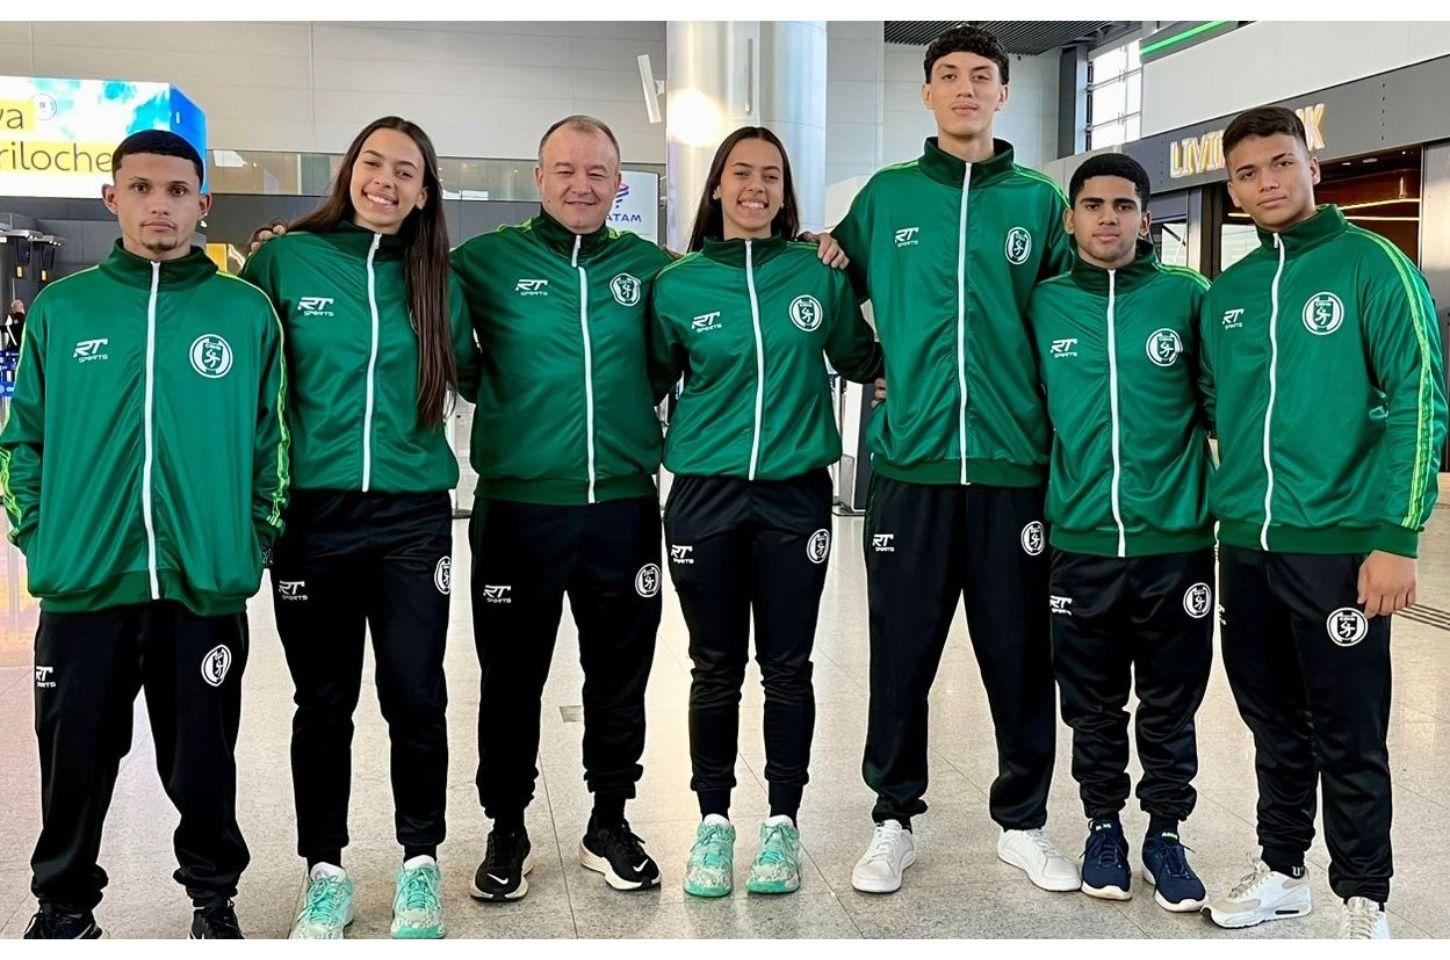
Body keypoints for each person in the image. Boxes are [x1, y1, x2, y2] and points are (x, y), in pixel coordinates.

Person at [0, 130, 289, 939]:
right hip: (85, 585)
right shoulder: (65, 308)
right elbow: (22, 440)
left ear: (203, 203)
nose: (158, 205)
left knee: (203, 761)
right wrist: (41, 537)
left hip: (201, 585)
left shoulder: (243, 310)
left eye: (175, 190)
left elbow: (273, 443)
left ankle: (212, 899)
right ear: (112, 198)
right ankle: (63, 908)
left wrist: (249, 545)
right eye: (140, 188)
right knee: (73, 761)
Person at [824, 24, 1078, 894]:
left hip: (1015, 471)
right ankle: (892, 818)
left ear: (1004, 93)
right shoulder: (886, 198)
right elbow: (825, 285)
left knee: (1020, 655)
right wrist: (870, 368)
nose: (965, 88)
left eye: (981, 76)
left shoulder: (1041, 204)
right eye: (948, 75)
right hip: (909, 469)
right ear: (926, 93)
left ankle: (1024, 821)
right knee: (901, 655)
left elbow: (1072, 316)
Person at [1198, 106, 1446, 939]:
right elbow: (1211, 404)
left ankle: (1364, 896)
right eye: (1247, 172)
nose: (1266, 181)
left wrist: (1396, 536)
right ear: (1230, 186)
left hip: (1339, 545)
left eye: (1279, 162)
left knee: (1348, 729)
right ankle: (1281, 870)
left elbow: (1420, 397)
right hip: (1248, 546)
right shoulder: (1227, 292)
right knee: (1270, 720)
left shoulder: (1371, 265)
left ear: (1312, 164)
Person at [239, 117, 480, 939]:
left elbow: (490, 371)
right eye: (374, 163)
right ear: (351, 171)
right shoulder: (284, 262)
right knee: (324, 700)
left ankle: (420, 863)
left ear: (423, 193)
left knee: (416, 693)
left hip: (414, 515)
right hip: (316, 516)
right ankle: (325, 869)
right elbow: (245, 385)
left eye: (406, 171)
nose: (387, 180)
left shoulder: (438, 279)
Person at [647, 126, 883, 898]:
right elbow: (648, 378)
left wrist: (904, 369)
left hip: (793, 496)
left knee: (787, 669)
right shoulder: (678, 284)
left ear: (785, 193)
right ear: (717, 186)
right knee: (713, 668)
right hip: (705, 497)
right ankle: (713, 822)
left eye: (771, 176)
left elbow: (861, 357)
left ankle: (782, 821)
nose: (756, 187)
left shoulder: (816, 273)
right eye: (742, 173)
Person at [449, 115, 672, 899]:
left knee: (621, 673)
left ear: (619, 184)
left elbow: (675, 357)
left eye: (599, 173)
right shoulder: (482, 263)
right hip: (517, 509)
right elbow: (455, 355)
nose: (582, 186)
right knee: (511, 677)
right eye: (566, 170)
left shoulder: (652, 269)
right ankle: (506, 825)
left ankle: (609, 820)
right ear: (538, 178)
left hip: (622, 507)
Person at [1028, 153, 1213, 911]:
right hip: (1081, 544)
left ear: (1146, 218)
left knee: (1171, 704)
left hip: (1176, 543)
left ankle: (1165, 832)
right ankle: (1103, 826)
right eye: (1094, 205)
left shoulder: (1188, 297)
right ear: (1070, 218)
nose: (1109, 218)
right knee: (1093, 705)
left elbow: (1221, 405)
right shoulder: (1042, 305)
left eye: (1125, 206)